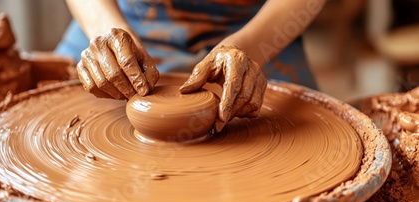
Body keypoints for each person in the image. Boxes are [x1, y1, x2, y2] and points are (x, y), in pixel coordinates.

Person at [56, 0, 326, 132]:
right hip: (120, 16)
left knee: (308, 136)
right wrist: (104, 29)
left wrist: (251, 47)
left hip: (257, 25)